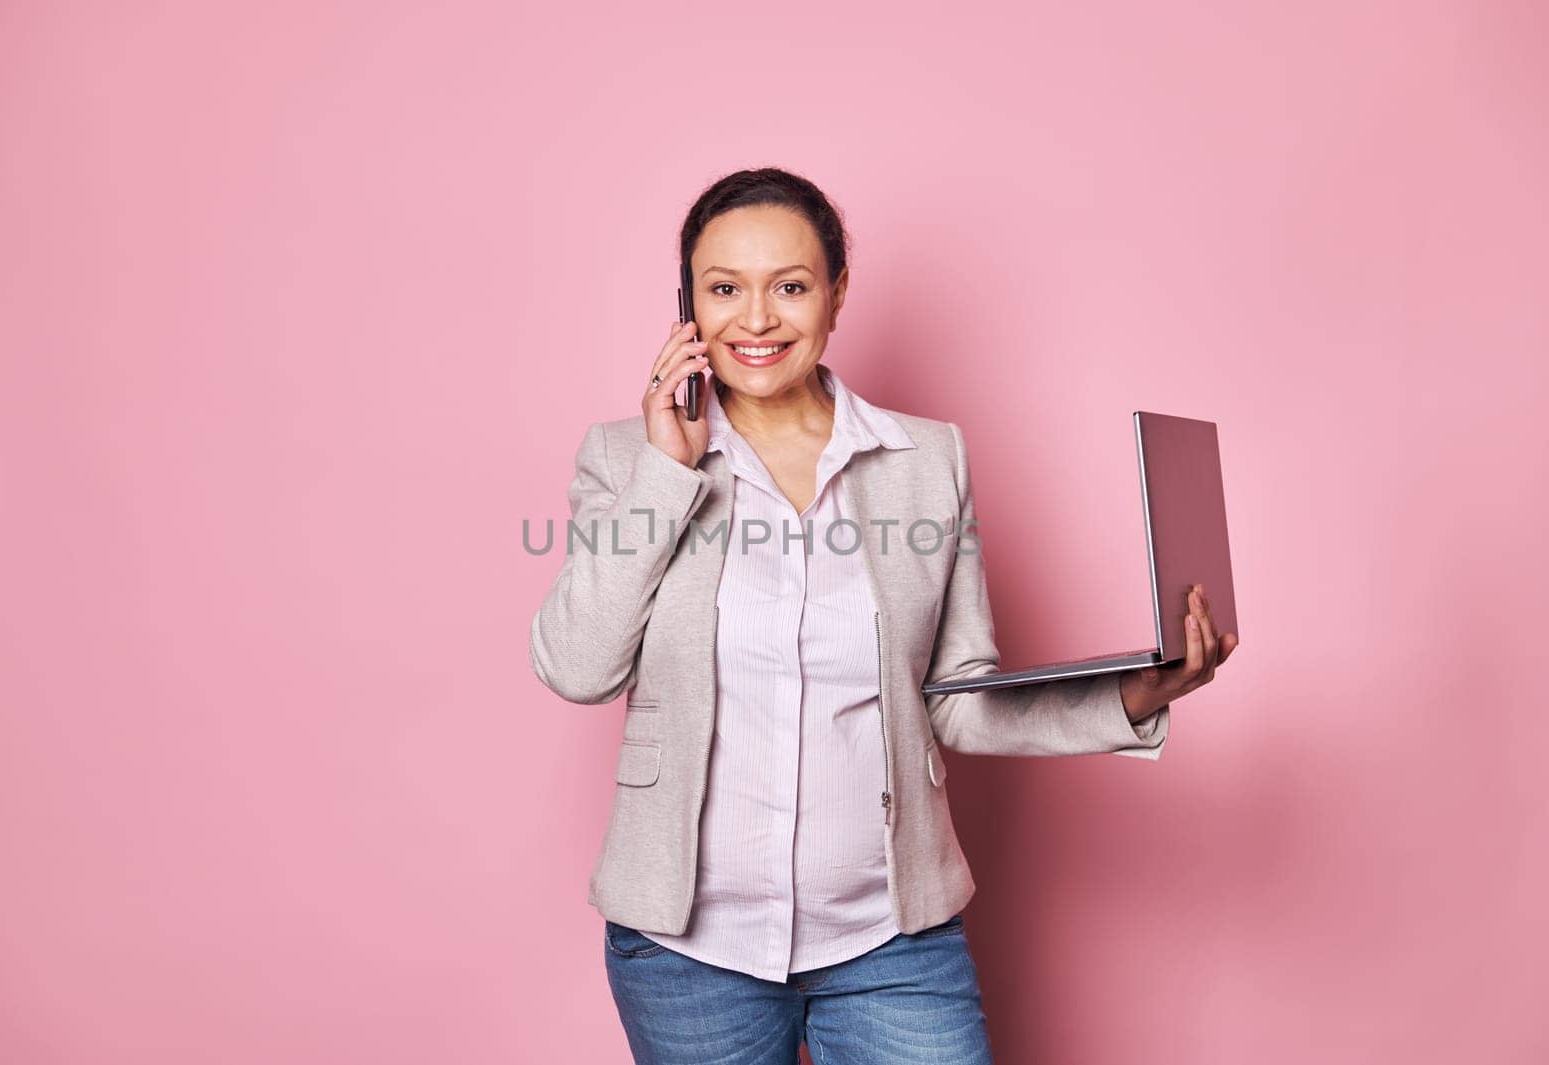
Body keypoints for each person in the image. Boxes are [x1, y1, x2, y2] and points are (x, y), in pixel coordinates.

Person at [528, 167, 1238, 1064]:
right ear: (686, 306)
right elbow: (575, 666)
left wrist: (1133, 693)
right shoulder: (627, 456)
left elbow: (958, 698)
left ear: (835, 295)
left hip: (889, 939)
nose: (756, 319)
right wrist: (669, 474)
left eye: (789, 286)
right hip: (687, 952)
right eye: (723, 289)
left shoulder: (925, 460)